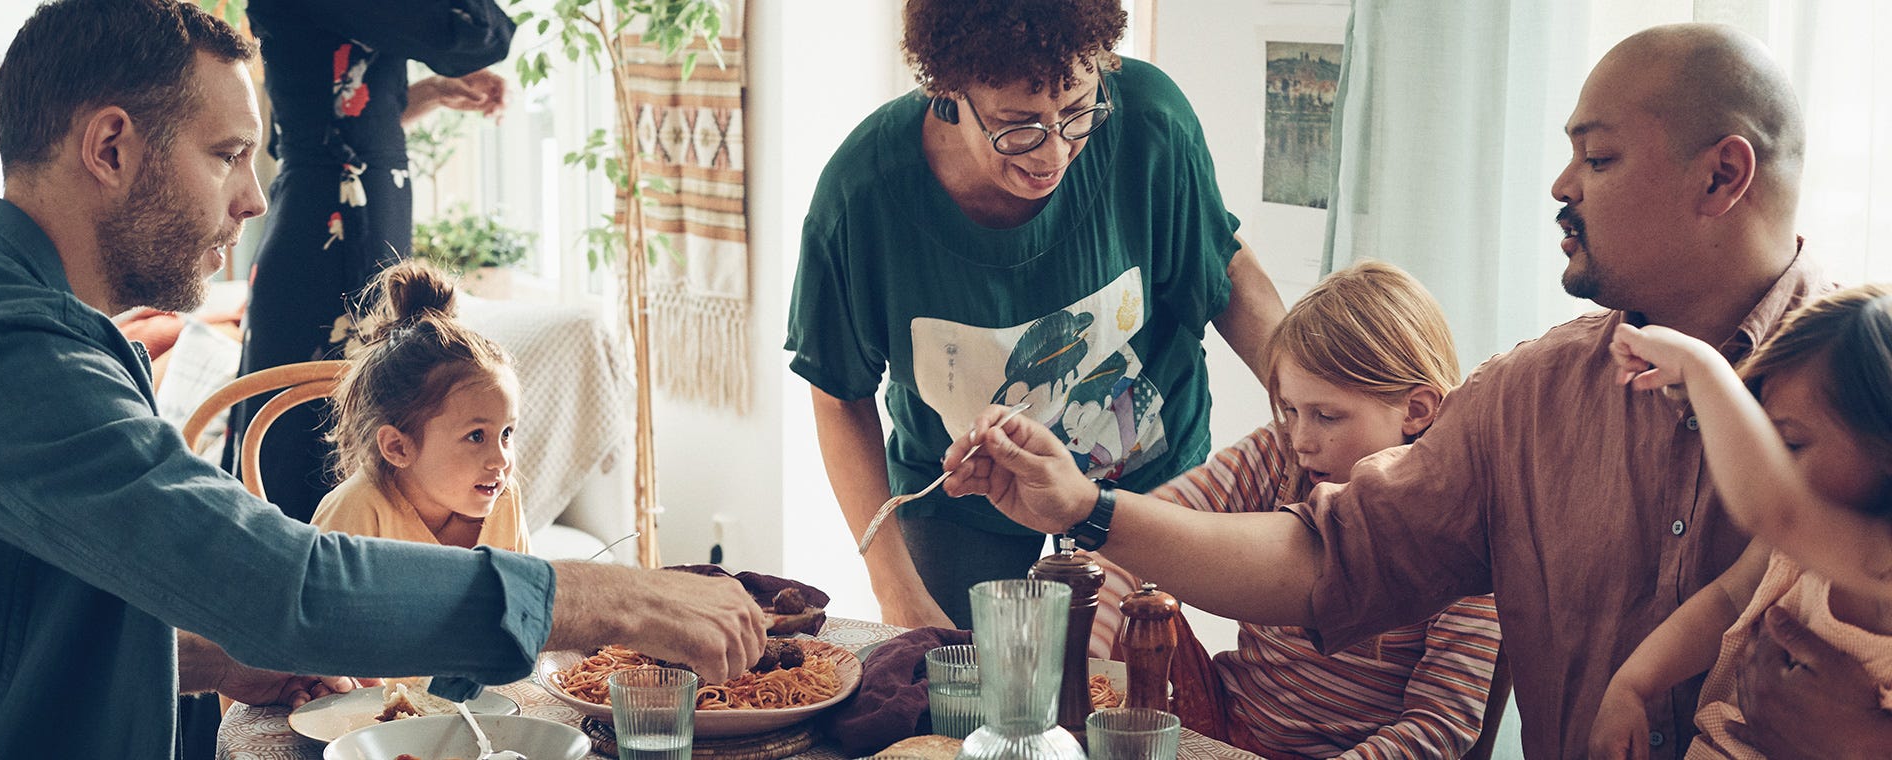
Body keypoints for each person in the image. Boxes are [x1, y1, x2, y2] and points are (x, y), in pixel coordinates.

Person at [943, 23, 1892, 758]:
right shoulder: (1527, 397)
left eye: (1598, 157)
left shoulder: (1870, 389)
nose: (1561, 183)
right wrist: (1088, 507)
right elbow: (1329, 562)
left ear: (1723, 174)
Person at [0, 3, 761, 757]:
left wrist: (216, 662)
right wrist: (619, 599)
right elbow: (284, 582)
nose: (251, 197)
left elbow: (37, 621)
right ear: (110, 148)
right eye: (227, 155)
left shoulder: (48, 330)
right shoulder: (9, 353)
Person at [784, 0, 1284, 629]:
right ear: (947, 90)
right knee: (959, 692)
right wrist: (896, 593)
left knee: (1126, 692)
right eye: (1017, 125)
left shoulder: (1150, 121)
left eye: (1077, 111)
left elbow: (1225, 274)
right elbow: (838, 396)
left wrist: (1309, 410)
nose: (1053, 154)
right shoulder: (861, 197)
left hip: (1145, 472)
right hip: (963, 499)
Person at [1087, 261, 1502, 758]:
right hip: (1225, 718)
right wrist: (1085, 669)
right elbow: (1136, 537)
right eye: (1290, 410)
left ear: (1416, 411)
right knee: (1118, 596)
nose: (1302, 440)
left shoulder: (1465, 526)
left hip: (1346, 752)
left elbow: (1440, 724)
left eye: (1327, 416)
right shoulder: (1280, 451)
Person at [231, 0, 516, 523]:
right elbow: (477, 34)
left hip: (357, 206)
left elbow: (328, 113)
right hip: (334, 225)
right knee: (314, 441)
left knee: (358, 421)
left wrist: (422, 95)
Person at [1589, 285, 1892, 759]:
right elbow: (1729, 600)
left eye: (1789, 444)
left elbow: (1775, 509)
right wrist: (1631, 684)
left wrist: (1701, 366)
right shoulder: (1792, 553)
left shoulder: (1866, 555)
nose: (1770, 467)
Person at [312, 260, 528, 551]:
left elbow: (523, 593)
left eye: (506, 433)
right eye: (477, 435)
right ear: (398, 447)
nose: (501, 460)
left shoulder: (504, 501)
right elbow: (321, 596)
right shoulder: (357, 510)